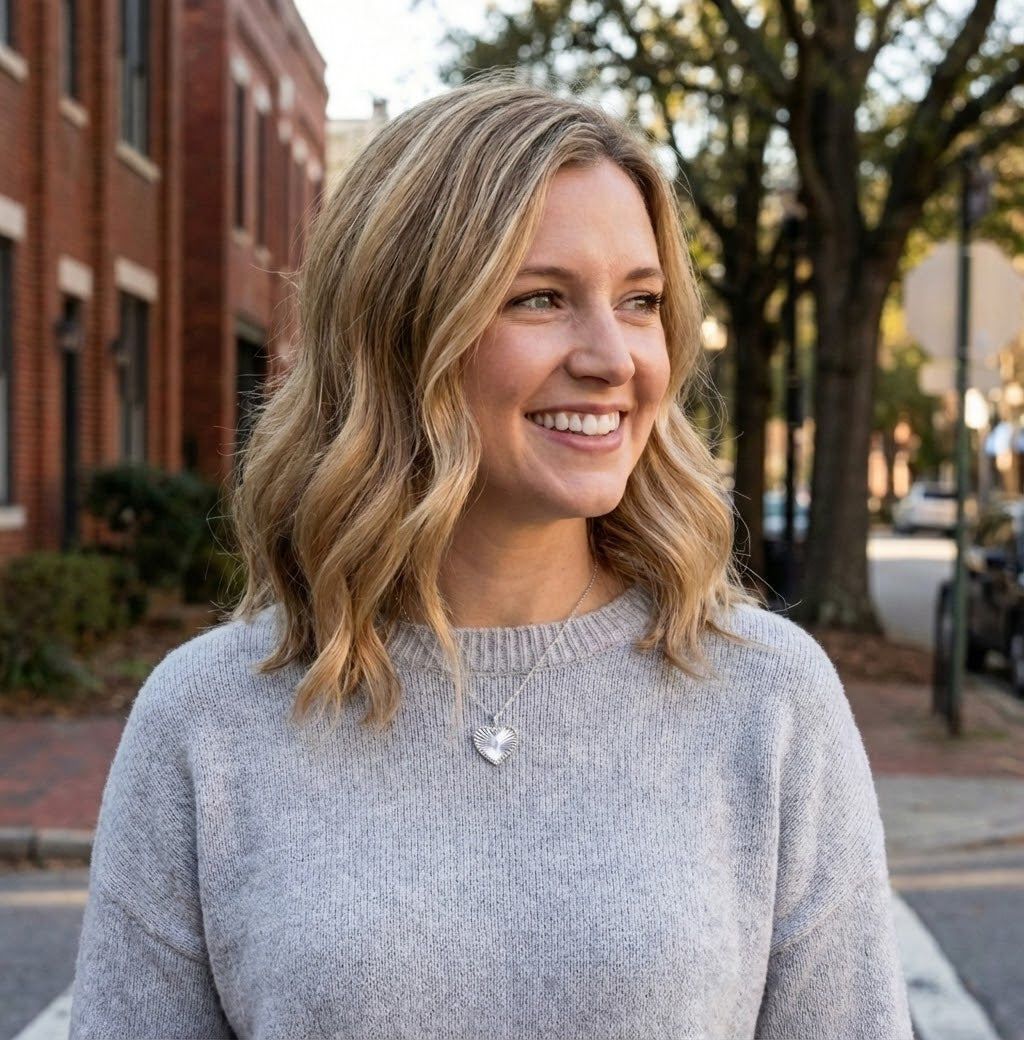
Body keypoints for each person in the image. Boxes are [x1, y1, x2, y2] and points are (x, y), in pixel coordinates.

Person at [71, 78, 912, 1039]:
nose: (614, 358)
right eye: (540, 298)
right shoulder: (208, 716)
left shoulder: (769, 698)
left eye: (640, 302)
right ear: (401, 332)